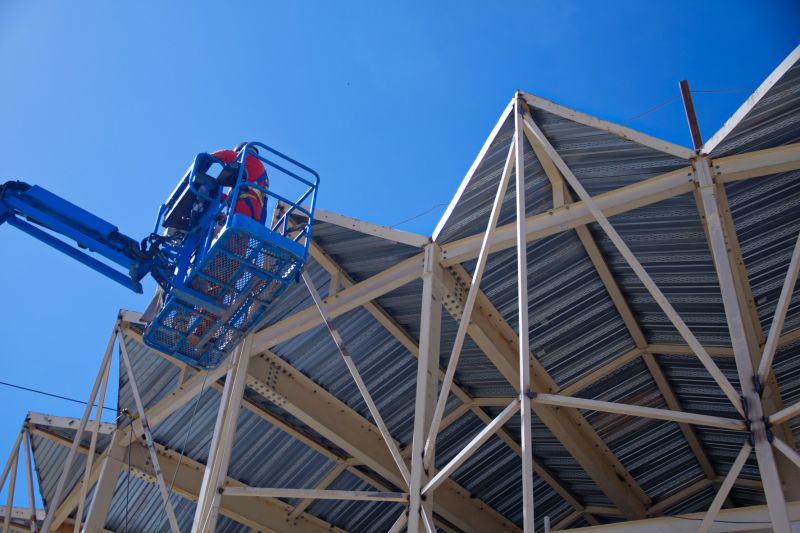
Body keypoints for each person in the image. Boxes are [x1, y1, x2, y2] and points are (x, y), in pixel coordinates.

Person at [212, 142, 269, 223]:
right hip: (254, 213)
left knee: (225, 231)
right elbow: (231, 199)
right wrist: (215, 193)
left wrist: (209, 157)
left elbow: (226, 155)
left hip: (244, 206)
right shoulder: (260, 177)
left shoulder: (249, 157)